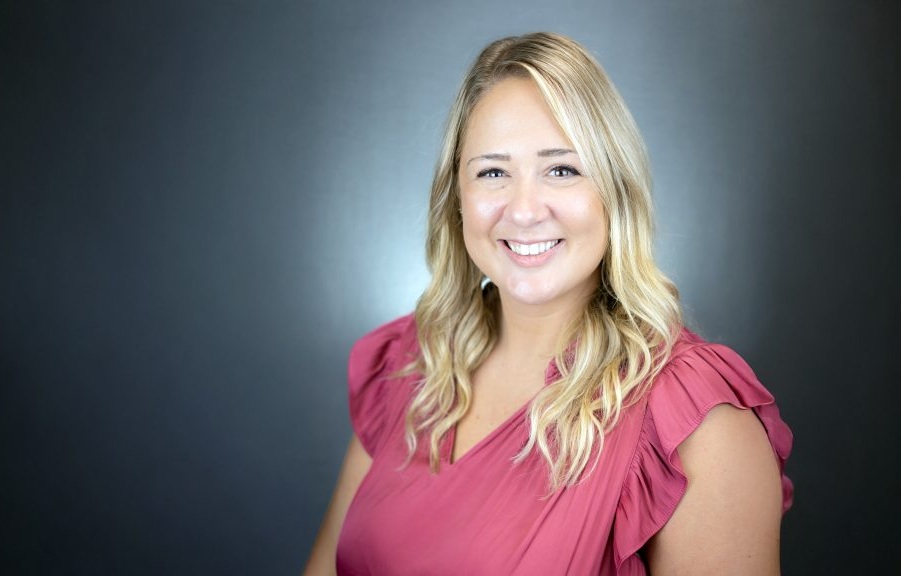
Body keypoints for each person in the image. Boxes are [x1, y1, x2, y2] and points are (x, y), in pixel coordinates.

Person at [305, 32, 793, 575]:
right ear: (456, 199)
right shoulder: (409, 366)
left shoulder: (698, 424)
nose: (524, 210)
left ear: (614, 189)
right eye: (493, 172)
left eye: (562, 169)